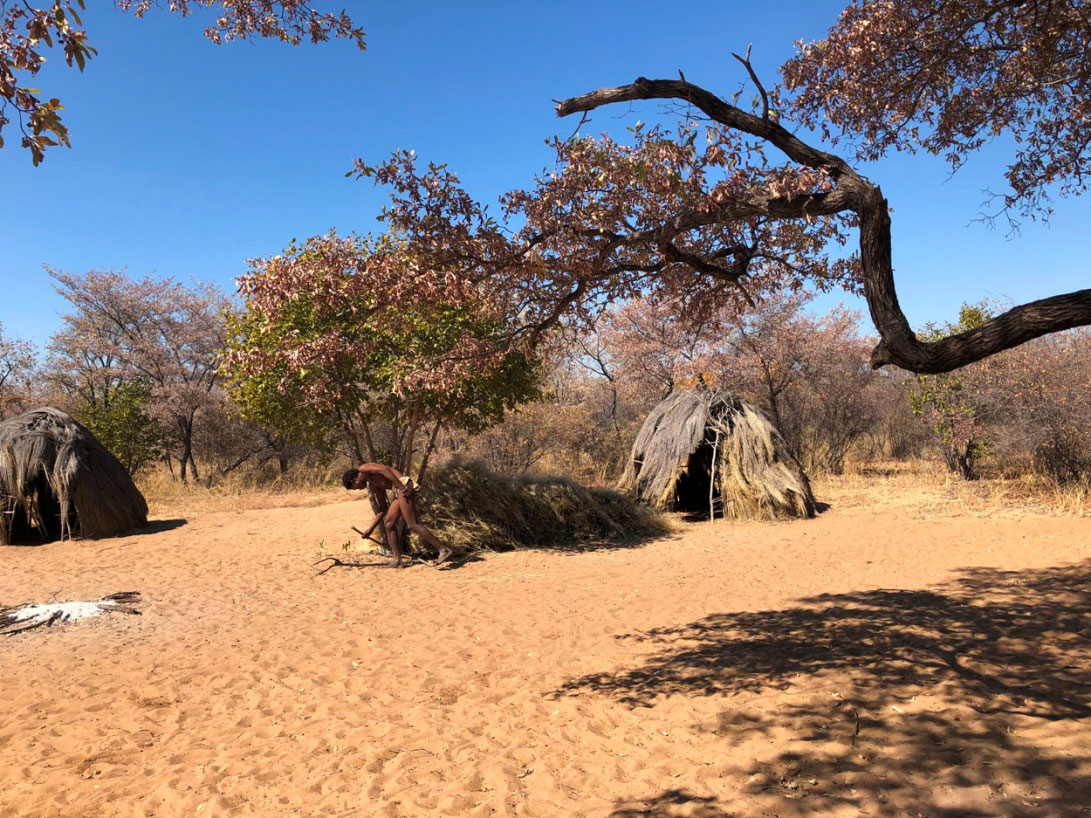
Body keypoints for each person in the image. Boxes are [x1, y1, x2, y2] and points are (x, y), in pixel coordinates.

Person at [341, 463, 453, 568]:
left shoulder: (363, 468)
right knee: (389, 524)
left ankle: (444, 550)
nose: (360, 488)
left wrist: (401, 487)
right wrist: (370, 529)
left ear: (354, 480)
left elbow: (385, 470)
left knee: (412, 523)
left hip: (403, 484)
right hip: (398, 490)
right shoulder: (373, 485)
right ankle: (398, 560)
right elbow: (383, 508)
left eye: (356, 487)